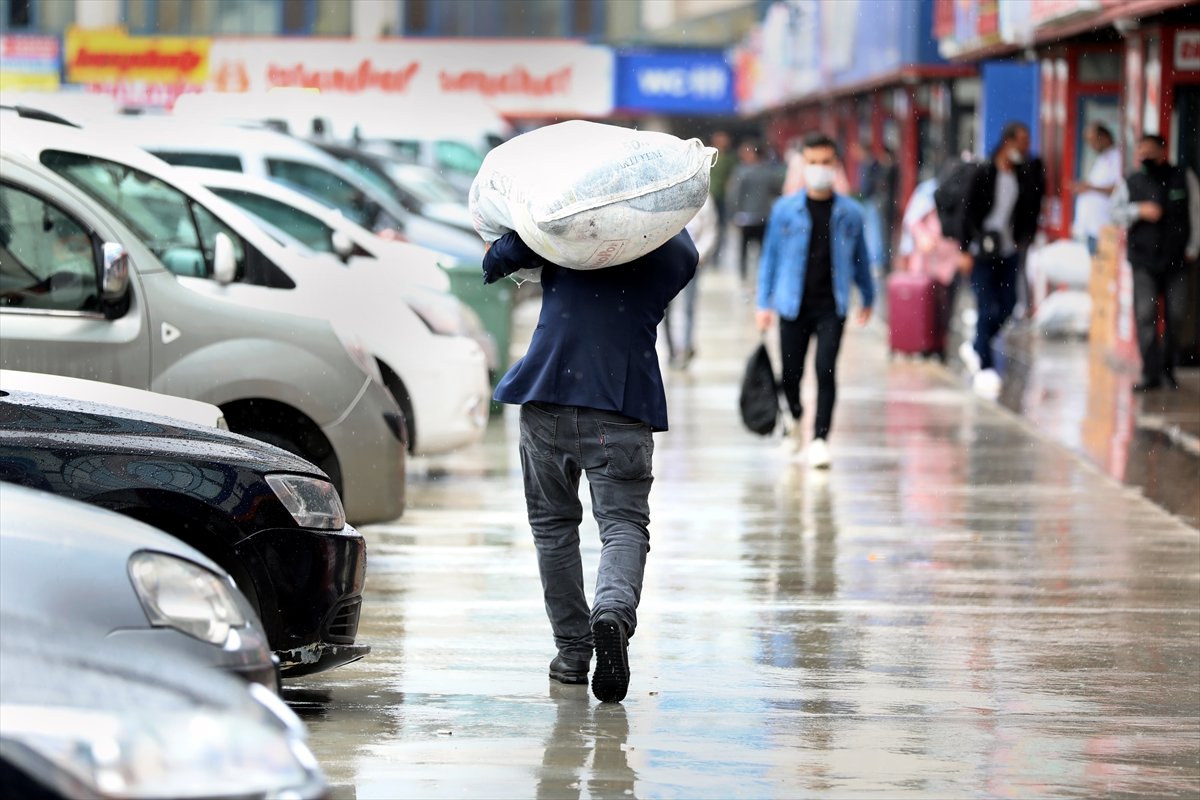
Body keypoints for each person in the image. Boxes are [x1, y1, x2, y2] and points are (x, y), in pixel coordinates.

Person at [483, 229, 698, 703]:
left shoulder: (571, 228)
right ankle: (612, 614)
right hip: (621, 402)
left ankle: (574, 653)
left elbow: (499, 259)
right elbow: (684, 257)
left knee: (553, 528)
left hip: (547, 393)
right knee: (622, 525)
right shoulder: (669, 247)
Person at [755, 132, 875, 469]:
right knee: (790, 374)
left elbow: (861, 258)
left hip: (831, 306)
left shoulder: (850, 212)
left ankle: (821, 438)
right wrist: (763, 304)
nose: (819, 169)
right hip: (792, 305)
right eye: (812, 163)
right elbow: (770, 258)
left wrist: (867, 295)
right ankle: (794, 420)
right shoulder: (785, 210)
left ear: (836, 165)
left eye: (825, 163)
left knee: (826, 369)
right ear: (803, 165)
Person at [954, 121, 1045, 398]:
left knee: (1007, 305)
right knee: (985, 304)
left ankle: (979, 343)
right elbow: (966, 213)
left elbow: (1031, 208)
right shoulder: (984, 173)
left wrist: (1024, 237)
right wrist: (965, 249)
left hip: (1008, 250)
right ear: (1008, 143)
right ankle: (985, 364)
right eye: (1021, 143)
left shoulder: (1024, 175)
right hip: (982, 250)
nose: (1025, 149)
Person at [1110, 135, 1193, 391]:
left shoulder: (1182, 177)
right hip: (1143, 260)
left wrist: (1194, 246)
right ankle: (1150, 372)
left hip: (1177, 258)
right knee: (1145, 315)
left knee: (1177, 315)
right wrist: (1139, 210)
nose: (1145, 154)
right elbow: (1114, 214)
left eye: (1149, 149)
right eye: (1141, 149)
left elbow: (1196, 211)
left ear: (1162, 150)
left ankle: (1168, 370)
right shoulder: (1131, 180)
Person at [665, 195, 718, 368]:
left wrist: (697, 255)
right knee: (665, 311)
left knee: (689, 307)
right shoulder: (668, 196)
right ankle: (672, 350)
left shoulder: (705, 200)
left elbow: (710, 230)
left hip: (693, 261)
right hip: (668, 262)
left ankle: (686, 349)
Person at [727, 140, 784, 283]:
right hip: (763, 217)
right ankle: (763, 276)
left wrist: (734, 214)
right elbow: (778, 190)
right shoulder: (769, 172)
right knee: (763, 250)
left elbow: (734, 195)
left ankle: (744, 276)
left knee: (743, 250)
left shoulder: (741, 172)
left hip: (745, 218)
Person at [1071, 123, 1123, 255]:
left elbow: (1118, 189)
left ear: (1104, 137)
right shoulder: (1102, 158)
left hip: (1105, 227)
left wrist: (1090, 187)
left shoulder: (1117, 157)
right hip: (1092, 227)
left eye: (1093, 140)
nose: (1091, 145)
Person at [708, 130, 735, 263]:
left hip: (723, 197)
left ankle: (718, 255)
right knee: (710, 225)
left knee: (722, 227)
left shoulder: (730, 158)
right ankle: (711, 254)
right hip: (710, 197)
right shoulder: (709, 155)